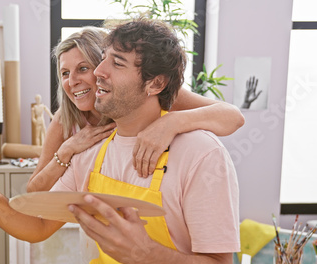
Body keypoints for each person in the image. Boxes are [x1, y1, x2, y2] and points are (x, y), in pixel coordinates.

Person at [0, 18, 239, 264]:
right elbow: (39, 226)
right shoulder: (88, 149)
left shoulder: (201, 154)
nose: (98, 72)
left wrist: (145, 254)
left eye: (116, 63)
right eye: (103, 59)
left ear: (155, 84)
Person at [26, 26, 244, 193]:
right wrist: (68, 150)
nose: (72, 81)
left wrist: (172, 122)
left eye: (83, 69)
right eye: (64, 73)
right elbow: (34, 191)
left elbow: (233, 117)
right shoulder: (67, 120)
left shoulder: (154, 92)